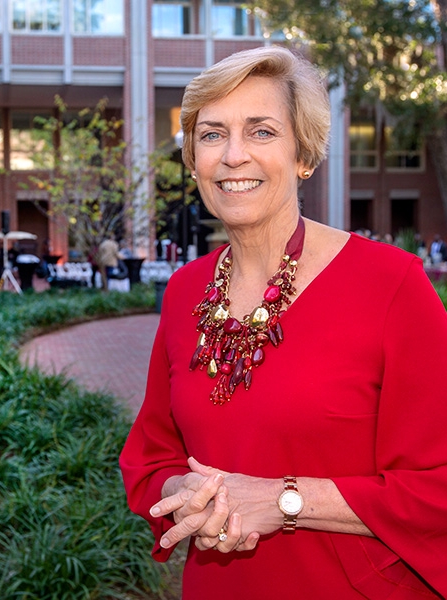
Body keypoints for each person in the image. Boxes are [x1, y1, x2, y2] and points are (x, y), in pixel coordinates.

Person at [119, 46, 447, 599]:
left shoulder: (391, 285)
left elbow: (437, 485)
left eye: (262, 131)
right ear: (194, 158)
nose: (233, 156)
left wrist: (282, 500)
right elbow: (152, 454)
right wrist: (182, 491)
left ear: (304, 155)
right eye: (212, 134)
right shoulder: (183, 292)